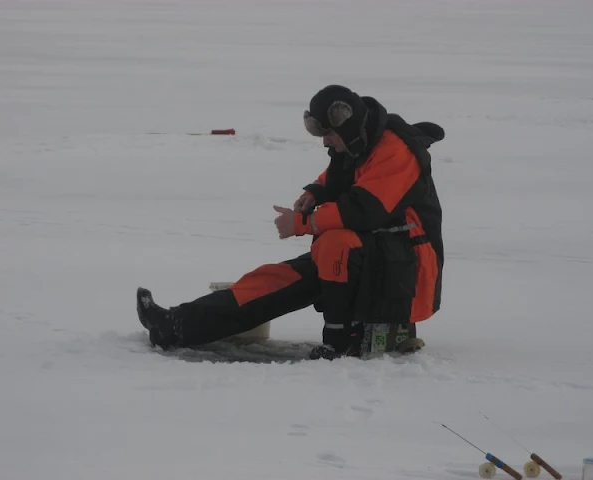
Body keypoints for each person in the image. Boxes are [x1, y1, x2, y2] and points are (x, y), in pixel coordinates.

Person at [136, 84, 445, 360]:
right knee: (274, 280)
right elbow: (340, 178)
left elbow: (363, 209)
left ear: (347, 124)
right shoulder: (361, 142)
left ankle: (342, 343)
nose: (325, 142)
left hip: (405, 270)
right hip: (369, 255)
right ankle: (175, 325)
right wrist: (314, 192)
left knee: (335, 243)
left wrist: (300, 224)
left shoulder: (396, 151)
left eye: (328, 134)